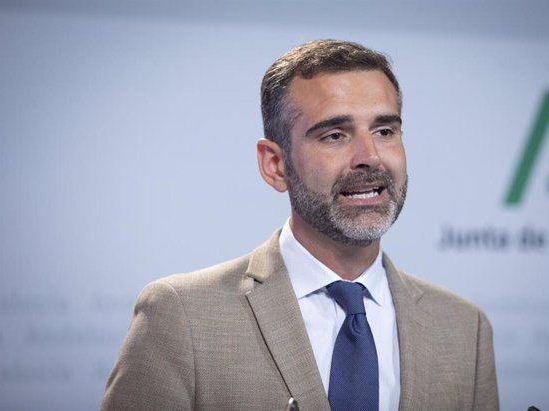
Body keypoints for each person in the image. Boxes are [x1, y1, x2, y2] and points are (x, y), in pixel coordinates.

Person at [101, 39, 499, 411]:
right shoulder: (182, 316)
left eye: (384, 131)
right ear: (274, 165)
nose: (370, 157)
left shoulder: (465, 329)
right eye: (335, 135)